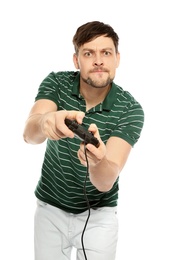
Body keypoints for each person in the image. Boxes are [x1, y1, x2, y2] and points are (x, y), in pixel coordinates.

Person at [23, 21, 144, 260]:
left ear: (117, 59)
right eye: (89, 53)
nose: (98, 60)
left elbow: (106, 182)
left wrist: (99, 162)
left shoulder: (130, 109)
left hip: (99, 215)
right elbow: (29, 134)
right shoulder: (56, 83)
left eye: (106, 53)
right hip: (50, 208)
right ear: (77, 60)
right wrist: (46, 121)